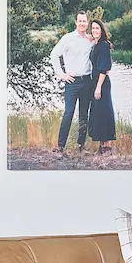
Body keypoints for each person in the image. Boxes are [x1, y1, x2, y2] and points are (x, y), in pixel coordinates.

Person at [50, 9, 94, 155]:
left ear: (87, 22)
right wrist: (61, 74)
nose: (82, 23)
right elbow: (54, 55)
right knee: (68, 112)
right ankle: (60, 147)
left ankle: (81, 146)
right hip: (72, 82)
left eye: (84, 21)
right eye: (80, 20)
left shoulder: (90, 40)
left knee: (83, 114)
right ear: (76, 22)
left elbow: (101, 46)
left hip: (87, 81)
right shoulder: (68, 38)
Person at [87, 16, 115, 155]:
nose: (94, 30)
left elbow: (104, 68)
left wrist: (98, 87)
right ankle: (102, 145)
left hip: (102, 84)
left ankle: (107, 147)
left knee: (105, 113)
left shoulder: (103, 44)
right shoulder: (96, 44)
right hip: (96, 82)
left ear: (101, 30)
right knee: (99, 113)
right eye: (93, 28)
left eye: (97, 28)